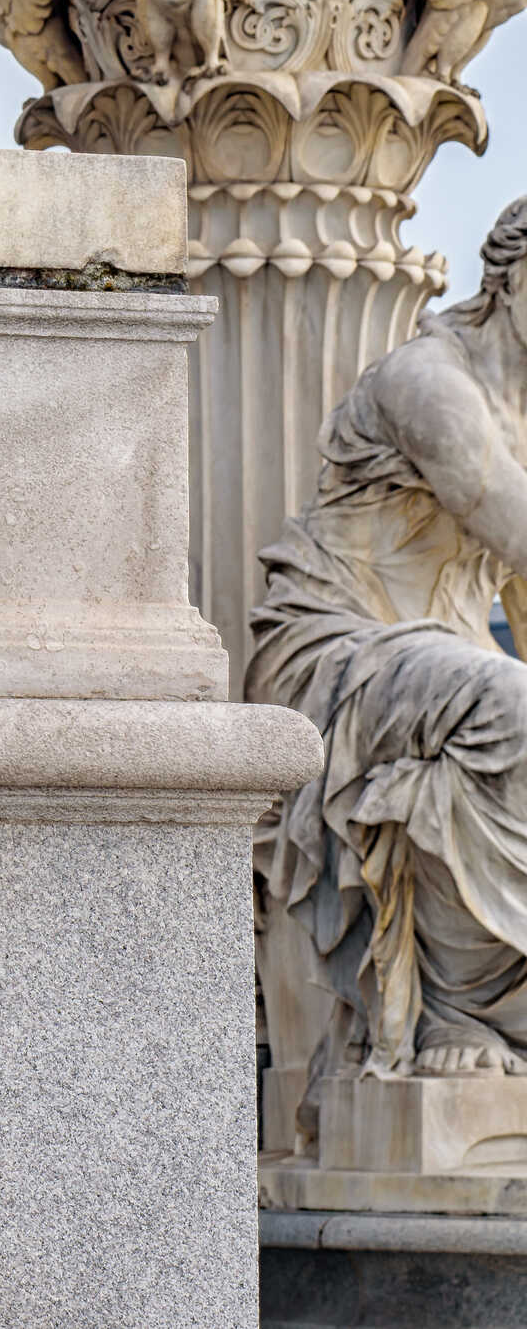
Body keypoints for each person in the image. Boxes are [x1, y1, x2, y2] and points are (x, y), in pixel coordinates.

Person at [250, 198, 527, 1090]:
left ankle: (497, 1013)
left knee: (502, 705)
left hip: (444, 665)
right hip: (336, 651)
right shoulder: (431, 380)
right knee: (511, 705)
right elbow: (512, 528)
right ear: (513, 282)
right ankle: (456, 1012)